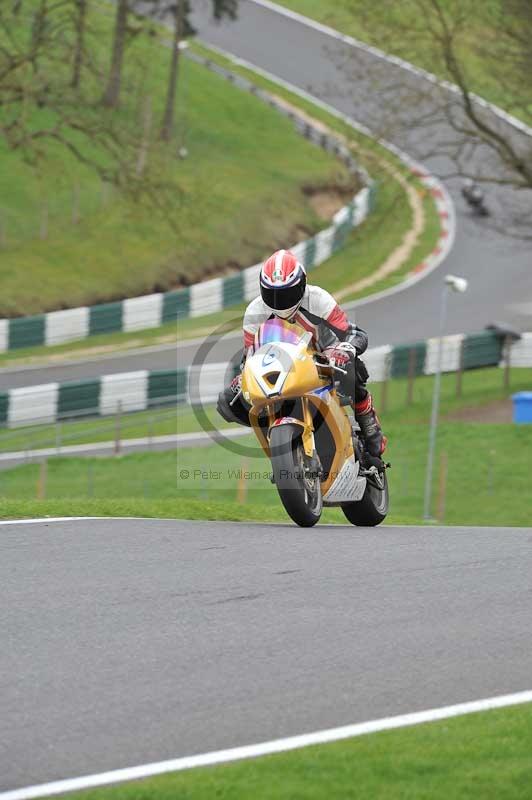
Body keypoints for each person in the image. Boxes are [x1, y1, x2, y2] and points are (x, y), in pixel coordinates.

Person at [217, 249, 387, 457]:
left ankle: (366, 416)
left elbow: (354, 333)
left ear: (302, 284)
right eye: (273, 294)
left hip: (324, 361)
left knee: (352, 365)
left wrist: (344, 349)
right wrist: (243, 377)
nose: (280, 301)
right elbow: (250, 357)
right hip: (281, 371)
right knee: (227, 402)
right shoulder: (255, 312)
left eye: (286, 293)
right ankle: (279, 443)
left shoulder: (318, 299)